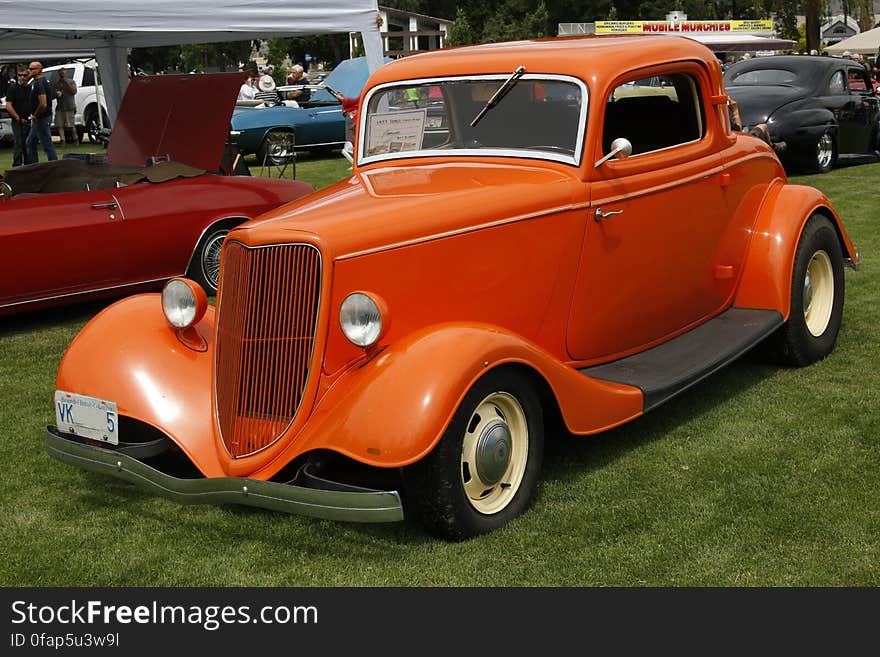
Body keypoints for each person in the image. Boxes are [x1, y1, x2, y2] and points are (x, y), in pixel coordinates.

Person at [24, 61, 57, 164]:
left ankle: (54, 165)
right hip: (41, 118)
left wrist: (35, 116)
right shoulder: (42, 81)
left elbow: (43, 104)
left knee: (46, 143)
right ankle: (34, 165)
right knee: (30, 142)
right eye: (29, 68)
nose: (29, 71)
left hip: (42, 118)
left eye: (31, 69)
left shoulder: (39, 83)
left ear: (38, 70)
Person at [5, 65, 32, 167]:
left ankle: (29, 165)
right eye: (20, 75)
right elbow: (8, 105)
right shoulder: (13, 88)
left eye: (24, 75)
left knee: (28, 144)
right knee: (19, 143)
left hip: (29, 120)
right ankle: (16, 165)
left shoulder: (30, 88)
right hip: (17, 121)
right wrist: (18, 118)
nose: (22, 78)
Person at [54, 67, 78, 145]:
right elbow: (54, 95)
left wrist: (66, 82)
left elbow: (74, 91)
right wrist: (56, 93)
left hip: (69, 106)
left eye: (63, 73)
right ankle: (62, 140)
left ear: (66, 73)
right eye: (60, 74)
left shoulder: (71, 82)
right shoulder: (57, 83)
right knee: (60, 125)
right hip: (60, 107)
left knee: (71, 125)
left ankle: (76, 139)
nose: (62, 75)